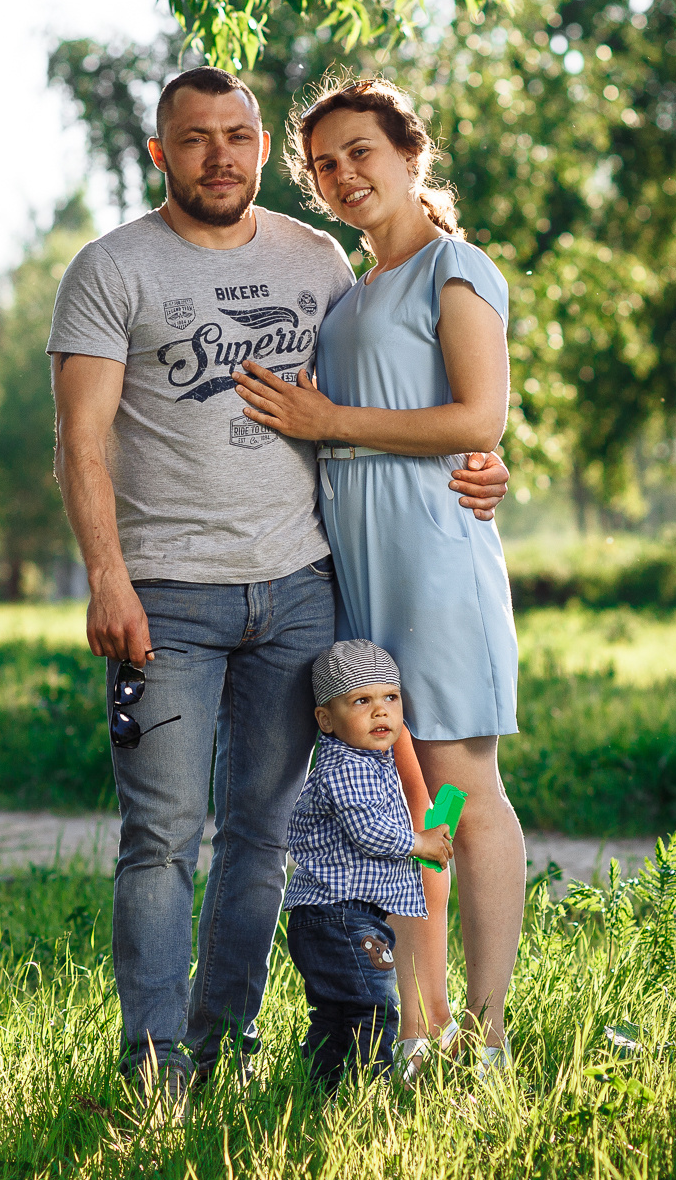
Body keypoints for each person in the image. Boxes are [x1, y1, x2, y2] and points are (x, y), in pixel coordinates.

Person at [46, 66, 509, 1109]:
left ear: (261, 150)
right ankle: (155, 1065)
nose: (220, 154)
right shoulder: (112, 267)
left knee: (263, 835)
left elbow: (409, 386)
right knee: (161, 835)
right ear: (159, 154)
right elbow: (79, 441)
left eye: (238, 135)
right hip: (168, 591)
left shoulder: (320, 259)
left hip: (304, 586)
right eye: (196, 137)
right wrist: (107, 577)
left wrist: (483, 459)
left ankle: (226, 1042)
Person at [233, 77, 526, 1079]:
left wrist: (333, 423)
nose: (345, 173)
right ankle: (424, 1018)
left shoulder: (456, 266)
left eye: (362, 151)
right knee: (410, 809)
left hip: (437, 565)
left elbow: (476, 420)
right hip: (363, 571)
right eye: (325, 164)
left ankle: (488, 1034)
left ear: (410, 154)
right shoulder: (348, 296)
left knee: (459, 787)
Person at [281, 639, 453, 1088]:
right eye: (362, 701)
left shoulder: (372, 761)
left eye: (390, 698)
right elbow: (369, 831)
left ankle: (320, 1089)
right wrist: (421, 844)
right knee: (373, 1007)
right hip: (339, 917)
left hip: (341, 917)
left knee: (339, 1012)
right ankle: (365, 1094)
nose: (381, 712)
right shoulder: (346, 766)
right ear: (326, 719)